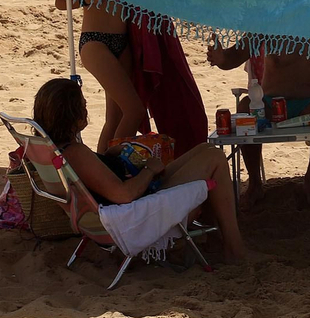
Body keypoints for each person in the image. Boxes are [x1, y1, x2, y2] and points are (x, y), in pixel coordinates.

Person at [30, 77, 247, 261]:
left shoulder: (58, 151)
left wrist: (107, 158)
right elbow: (124, 195)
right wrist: (150, 170)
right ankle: (233, 248)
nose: (86, 110)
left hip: (129, 202)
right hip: (136, 212)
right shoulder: (76, 152)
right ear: (72, 115)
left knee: (205, 149)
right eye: (83, 106)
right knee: (215, 158)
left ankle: (216, 239)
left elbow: (95, 181)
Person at [206, 40, 310, 207]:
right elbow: (235, 56)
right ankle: (254, 183)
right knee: (245, 106)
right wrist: (221, 58)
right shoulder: (271, 21)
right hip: (269, 104)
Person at [55, 0, 145, 153]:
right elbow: (60, 2)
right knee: (134, 111)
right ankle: (113, 167)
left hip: (123, 41)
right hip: (94, 41)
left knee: (115, 118)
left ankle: (102, 163)